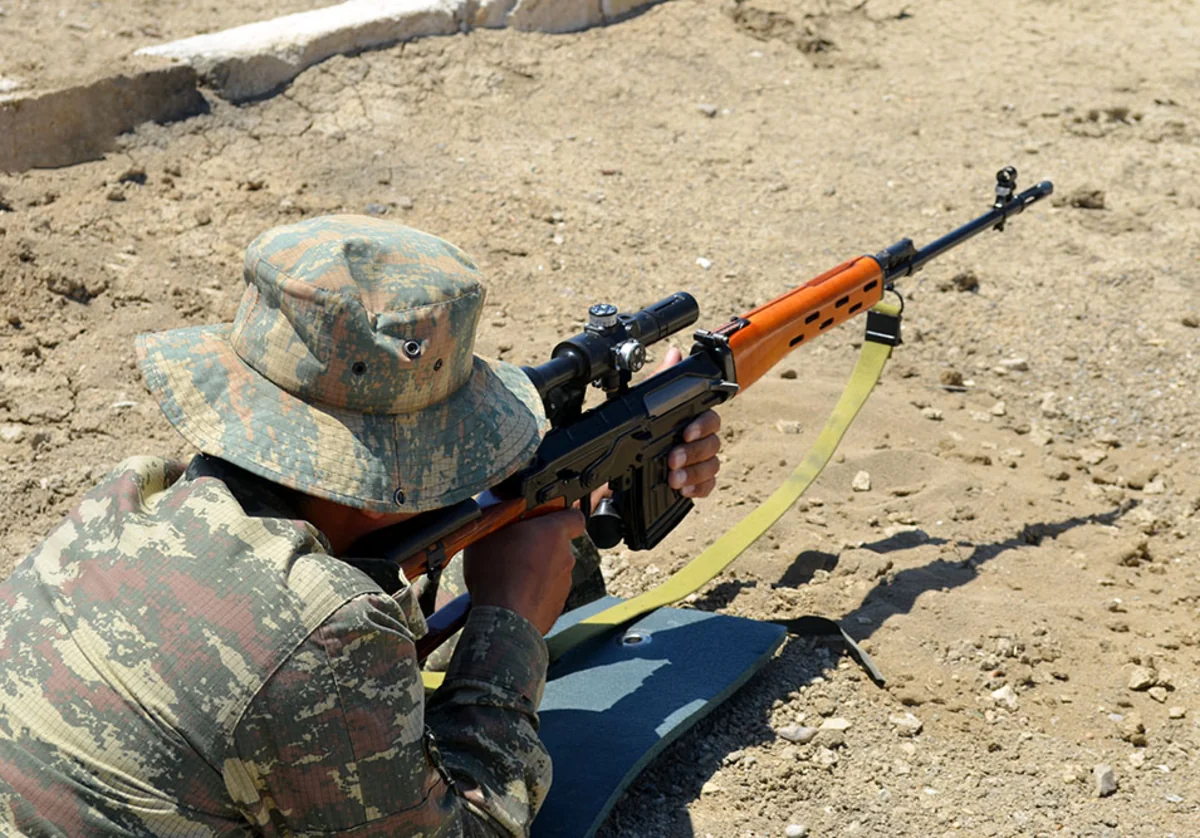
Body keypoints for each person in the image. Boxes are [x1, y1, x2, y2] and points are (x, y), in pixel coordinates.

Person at [0, 215, 722, 836]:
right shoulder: (330, 637)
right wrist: (511, 622)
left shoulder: (127, 498)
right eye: (453, 449)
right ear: (387, 475)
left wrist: (582, 489)